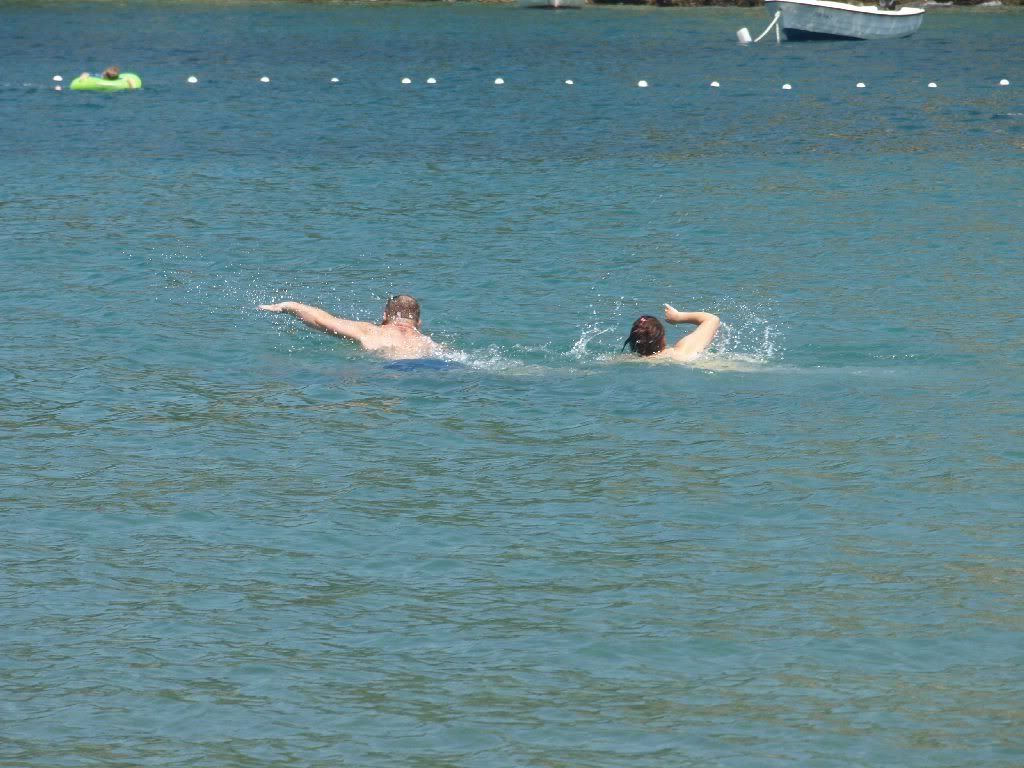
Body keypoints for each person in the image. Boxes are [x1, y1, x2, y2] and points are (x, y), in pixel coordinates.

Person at [258, 294, 440, 360]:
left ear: (385, 316)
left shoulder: (372, 331)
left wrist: (287, 306)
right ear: (419, 323)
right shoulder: (429, 343)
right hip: (430, 367)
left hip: (391, 373)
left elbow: (321, 320)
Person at [622, 304, 720, 363]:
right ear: (662, 339)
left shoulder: (629, 359)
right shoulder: (681, 353)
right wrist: (678, 317)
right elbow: (712, 319)